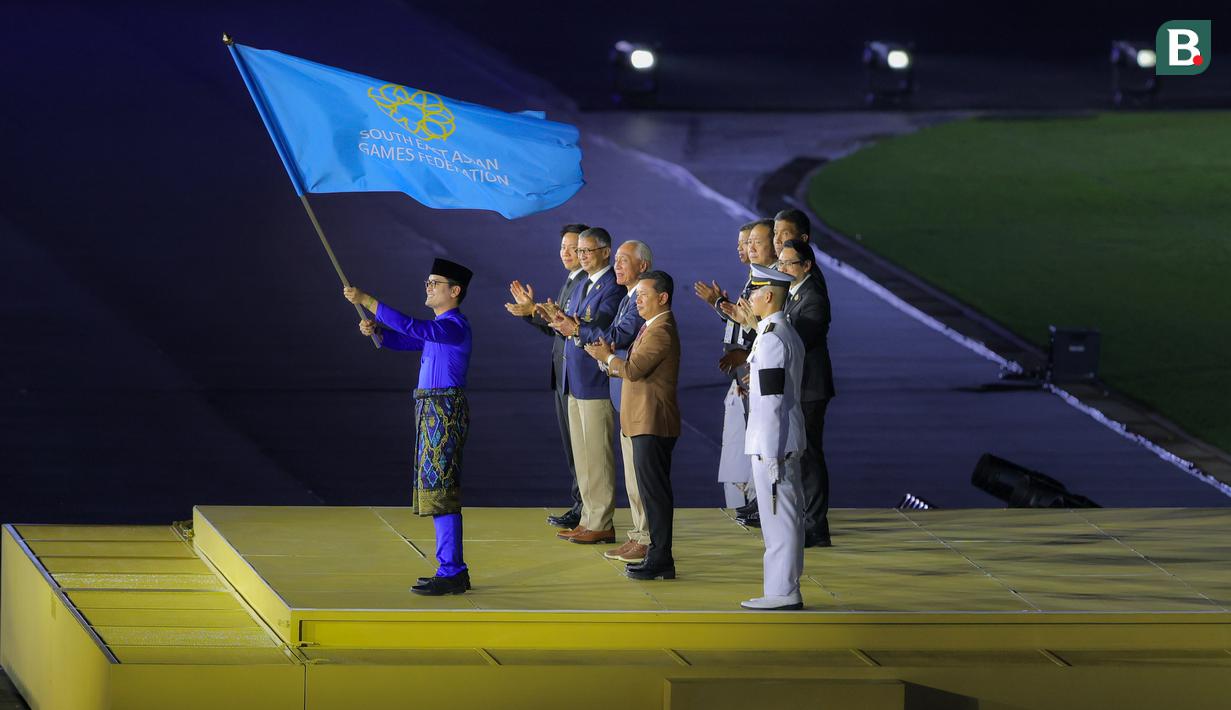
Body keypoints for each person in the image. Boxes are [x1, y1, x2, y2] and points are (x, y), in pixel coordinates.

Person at [343, 258, 475, 596]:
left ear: (455, 291)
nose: (428, 287)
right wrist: (380, 332)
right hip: (431, 411)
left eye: (436, 283)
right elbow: (407, 339)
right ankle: (450, 567)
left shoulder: (453, 325)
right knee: (436, 489)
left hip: (443, 411)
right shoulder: (440, 329)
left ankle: (453, 569)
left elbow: (417, 329)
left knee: (441, 491)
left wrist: (369, 301)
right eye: (428, 282)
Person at [585, 270, 680, 580]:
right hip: (642, 420)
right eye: (637, 296)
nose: (637, 301)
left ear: (662, 298)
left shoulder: (661, 329)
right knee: (651, 492)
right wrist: (610, 359)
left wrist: (608, 357)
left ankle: (661, 556)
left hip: (652, 421)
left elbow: (634, 369)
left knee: (654, 493)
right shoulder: (651, 327)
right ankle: (657, 555)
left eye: (643, 296)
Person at [560, 240, 652, 563]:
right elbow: (610, 333)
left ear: (642, 266)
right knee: (629, 472)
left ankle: (645, 537)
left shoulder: (638, 298)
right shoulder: (625, 296)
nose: (618, 266)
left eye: (624, 261)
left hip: (631, 392)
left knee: (638, 474)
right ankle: (635, 534)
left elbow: (617, 336)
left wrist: (579, 331)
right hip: (619, 390)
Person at [731, 264, 807, 610]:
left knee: (780, 520)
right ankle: (780, 588)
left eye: (752, 291)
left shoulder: (774, 339)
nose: (747, 297)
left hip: (773, 444)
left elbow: (774, 401)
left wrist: (773, 455)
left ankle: (783, 591)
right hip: (771, 442)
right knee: (780, 519)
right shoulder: (773, 333)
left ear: (768, 295)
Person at [505, 223, 590, 529]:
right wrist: (532, 313)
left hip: (578, 376)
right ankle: (580, 505)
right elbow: (558, 328)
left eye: (574, 248)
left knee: (583, 449)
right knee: (573, 447)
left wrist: (536, 312)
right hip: (563, 374)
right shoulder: (572, 281)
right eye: (564, 248)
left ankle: (587, 509)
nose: (566, 254)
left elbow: (571, 328)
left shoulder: (586, 284)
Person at [693, 220, 772, 515]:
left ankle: (764, 503)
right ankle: (756, 500)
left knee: (764, 443)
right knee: (752, 443)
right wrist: (720, 305)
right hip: (745, 374)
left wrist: (745, 356)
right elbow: (744, 323)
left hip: (758, 373)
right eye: (743, 243)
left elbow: (765, 329)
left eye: (752, 242)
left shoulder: (770, 283)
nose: (745, 249)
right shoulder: (754, 279)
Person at [553, 227, 626, 544]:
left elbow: (603, 326)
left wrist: (573, 326)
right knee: (582, 456)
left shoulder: (613, 286)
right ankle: (588, 517)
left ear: (606, 252)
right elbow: (571, 324)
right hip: (575, 378)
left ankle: (601, 521)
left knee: (597, 456)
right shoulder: (583, 281)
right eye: (578, 251)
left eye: (587, 251)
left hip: (595, 380)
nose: (580, 256)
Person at [777, 239, 837, 548]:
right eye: (781, 264)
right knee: (799, 455)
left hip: (810, 388)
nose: (783, 269)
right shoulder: (791, 294)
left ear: (807, 266)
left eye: (789, 264)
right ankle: (805, 519)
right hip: (798, 387)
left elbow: (796, 341)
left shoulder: (814, 298)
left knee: (809, 455)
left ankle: (817, 526)